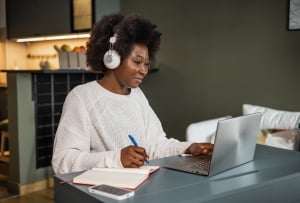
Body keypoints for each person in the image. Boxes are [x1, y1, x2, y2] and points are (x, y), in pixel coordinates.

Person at [51, 13, 213, 174]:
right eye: (137, 61)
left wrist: (188, 147)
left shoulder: (137, 95)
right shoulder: (81, 97)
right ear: (112, 57)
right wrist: (117, 159)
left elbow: (155, 145)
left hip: (142, 186)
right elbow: (62, 161)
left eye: (146, 64)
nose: (143, 70)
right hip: (105, 191)